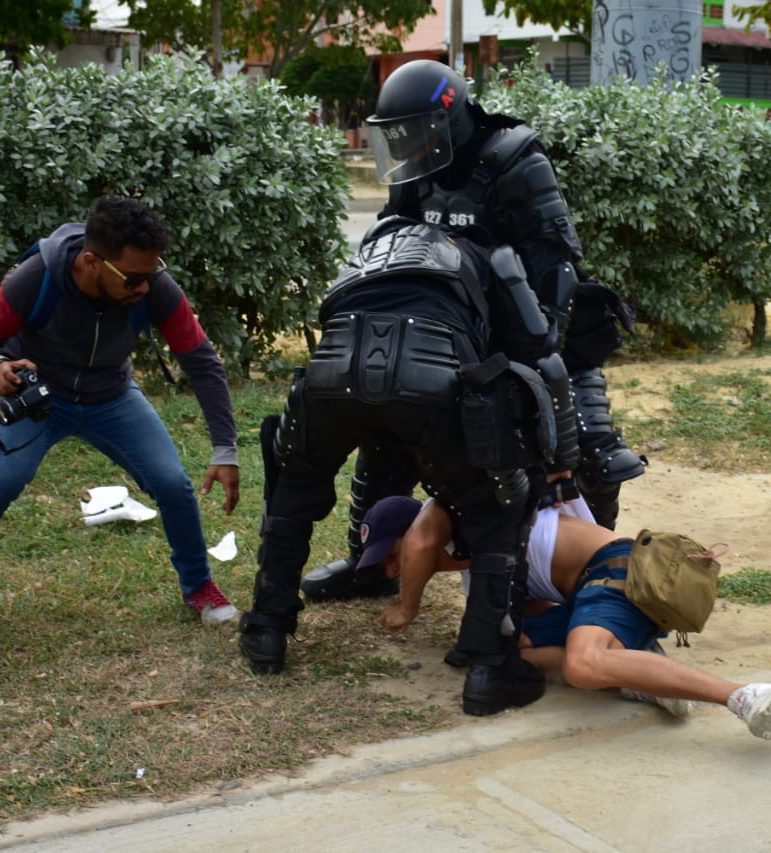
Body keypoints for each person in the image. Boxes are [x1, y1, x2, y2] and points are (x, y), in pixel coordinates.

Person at [301, 58, 644, 605]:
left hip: (531, 326)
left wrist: (539, 349)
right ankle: (371, 563)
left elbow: (555, 264)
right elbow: (391, 242)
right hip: (453, 326)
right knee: (389, 418)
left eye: (415, 131)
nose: (408, 145)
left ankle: (594, 573)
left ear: (449, 118)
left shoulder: (514, 159)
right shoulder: (418, 170)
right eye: (399, 136)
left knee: (591, 453)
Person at [240, 215, 581, 718]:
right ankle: (489, 663)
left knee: (292, 488)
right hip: (431, 374)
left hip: (333, 367)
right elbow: (536, 346)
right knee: (499, 507)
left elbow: (330, 308)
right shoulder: (491, 256)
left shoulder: (378, 246)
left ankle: (267, 631)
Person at [0, 196, 241, 624]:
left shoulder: (154, 284)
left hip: (112, 396)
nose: (144, 287)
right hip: (41, 400)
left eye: (151, 273)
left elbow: (201, 360)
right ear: (92, 262)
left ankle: (199, 586)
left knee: (171, 483)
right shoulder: (37, 277)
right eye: (132, 278)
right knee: (5, 478)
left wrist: (225, 449)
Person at [376, 495, 771, 740]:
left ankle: (743, 695)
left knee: (583, 664)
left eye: (391, 557)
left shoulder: (469, 509)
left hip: (616, 570)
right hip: (590, 592)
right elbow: (532, 619)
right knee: (508, 649)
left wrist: (406, 606)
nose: (394, 571)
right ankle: (640, 673)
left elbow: (420, 541)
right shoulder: (482, 564)